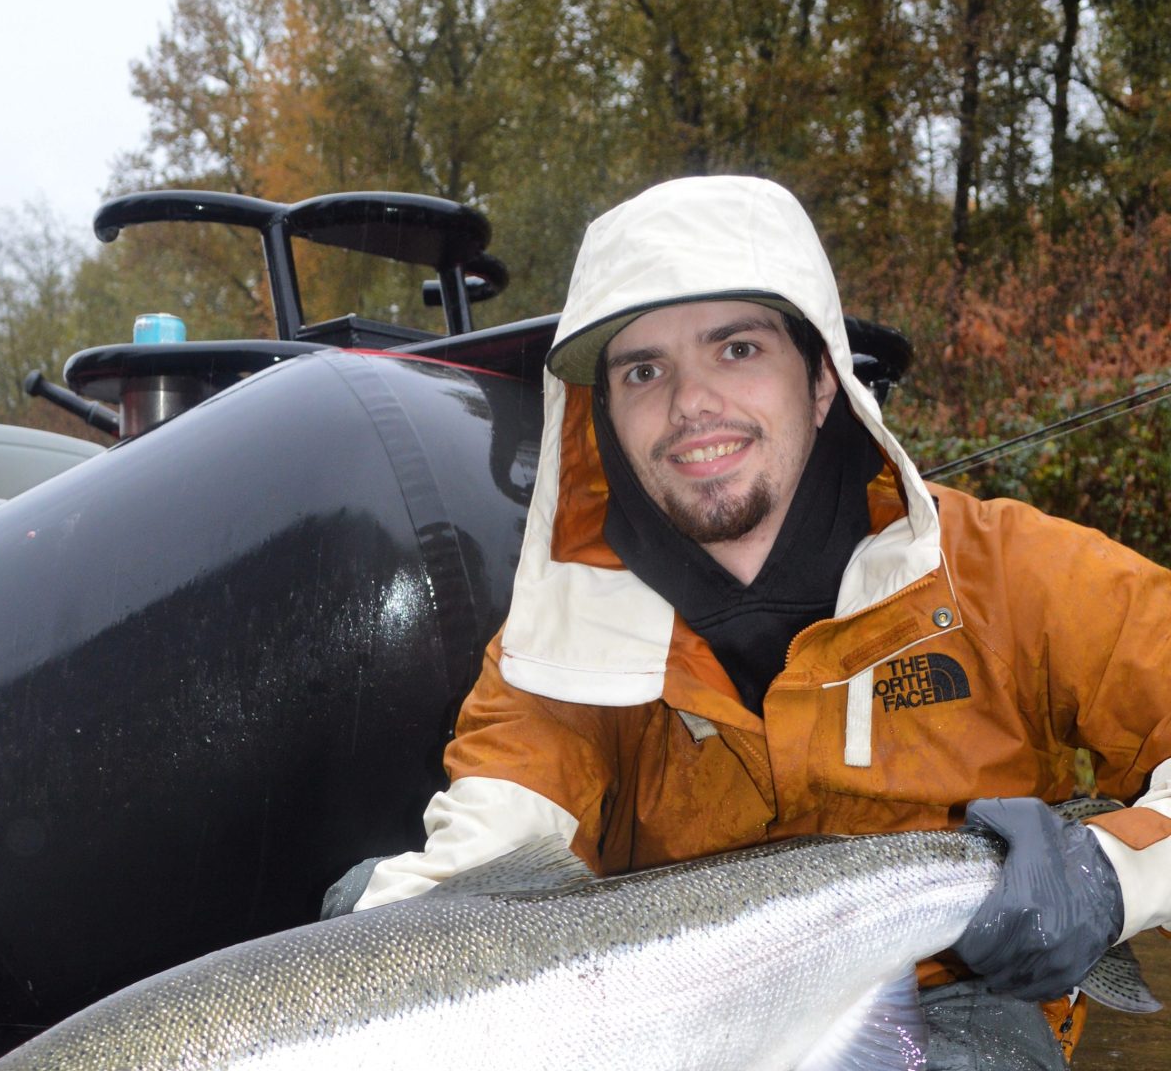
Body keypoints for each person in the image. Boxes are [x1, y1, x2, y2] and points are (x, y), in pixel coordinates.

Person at [326, 177, 1171, 1067]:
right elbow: (492, 846)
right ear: (602, 413)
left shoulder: (1016, 574)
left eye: (736, 348)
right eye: (642, 370)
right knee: (359, 907)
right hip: (687, 1022)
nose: (690, 404)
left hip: (956, 1013)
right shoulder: (558, 648)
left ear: (820, 380)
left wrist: (1114, 875)